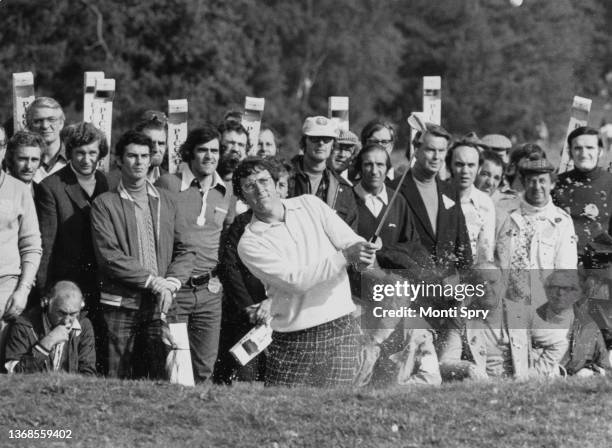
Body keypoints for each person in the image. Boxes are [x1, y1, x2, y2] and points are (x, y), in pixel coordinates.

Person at [236, 157, 377, 387]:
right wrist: (346, 256)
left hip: (341, 328)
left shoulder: (310, 203)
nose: (260, 189)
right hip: (293, 340)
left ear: (275, 183)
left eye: (264, 181)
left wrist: (362, 252)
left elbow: (348, 240)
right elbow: (295, 281)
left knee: (336, 413)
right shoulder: (249, 242)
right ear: (242, 197)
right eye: (250, 185)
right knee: (283, 416)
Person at [90, 130, 195, 379]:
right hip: (121, 305)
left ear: (151, 159)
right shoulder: (104, 203)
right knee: (118, 377)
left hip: (161, 303)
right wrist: (153, 281)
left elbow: (186, 249)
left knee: (163, 376)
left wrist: (170, 283)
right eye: (132, 156)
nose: (138, 162)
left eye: (144, 156)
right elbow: (109, 256)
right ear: (119, 160)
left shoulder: (169, 201)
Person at [351, 143, 440, 386]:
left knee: (417, 361)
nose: (374, 170)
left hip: (396, 296)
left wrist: (385, 250)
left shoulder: (397, 201)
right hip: (359, 296)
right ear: (360, 167)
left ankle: (396, 391)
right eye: (368, 164)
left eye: (380, 164)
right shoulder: (348, 201)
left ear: (387, 168)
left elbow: (411, 246)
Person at [156, 125, 234, 383]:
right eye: (203, 150)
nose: (209, 156)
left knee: (204, 368)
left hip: (210, 291)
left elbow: (226, 239)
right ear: (190, 152)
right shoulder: (169, 183)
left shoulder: (226, 191)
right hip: (177, 288)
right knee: (177, 369)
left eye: (214, 150)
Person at [215, 158, 291, 384]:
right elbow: (230, 268)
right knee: (245, 378)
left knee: (280, 382)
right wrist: (249, 306)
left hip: (283, 313)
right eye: (250, 186)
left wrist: (272, 302)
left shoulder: (295, 222)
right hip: (248, 316)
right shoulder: (241, 224)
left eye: (280, 185)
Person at [438, 264, 568, 380]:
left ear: (502, 285)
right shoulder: (460, 318)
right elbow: (445, 362)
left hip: (518, 386)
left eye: (492, 282)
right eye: (480, 284)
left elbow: (559, 343)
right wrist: (467, 368)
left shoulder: (523, 313)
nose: (487, 288)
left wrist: (533, 374)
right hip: (482, 388)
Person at [36, 122, 109, 307]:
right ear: (70, 153)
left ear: (100, 154)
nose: (86, 159)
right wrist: (45, 289)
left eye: (92, 153)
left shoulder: (102, 180)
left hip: (99, 279)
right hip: (66, 280)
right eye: (80, 153)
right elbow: (47, 243)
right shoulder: (51, 186)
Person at [496, 153, 577, 306]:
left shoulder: (561, 222)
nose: (537, 186)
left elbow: (565, 270)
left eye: (542, 181)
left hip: (543, 304)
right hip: (505, 301)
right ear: (524, 183)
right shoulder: (505, 213)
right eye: (531, 181)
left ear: (552, 184)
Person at [392, 122, 472, 273]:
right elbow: (391, 246)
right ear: (416, 150)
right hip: (409, 284)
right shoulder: (394, 190)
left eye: (441, 150)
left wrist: (465, 283)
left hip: (448, 289)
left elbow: (463, 244)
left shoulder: (450, 191)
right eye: (430, 150)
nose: (437, 156)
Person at [3, 281, 96, 375]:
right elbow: (14, 375)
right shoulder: (24, 325)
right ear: (46, 304)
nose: (66, 321)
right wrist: (47, 343)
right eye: (61, 313)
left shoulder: (84, 326)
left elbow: (88, 373)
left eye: (73, 314)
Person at [0, 158, 42, 363]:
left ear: (4, 149)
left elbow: (32, 246)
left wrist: (23, 290)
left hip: (5, 286)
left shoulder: (19, 190)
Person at [552, 127, 612, 265]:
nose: (584, 153)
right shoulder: (555, 184)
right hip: (562, 264)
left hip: (601, 266)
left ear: (600, 151)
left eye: (590, 148)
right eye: (578, 148)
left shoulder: (610, 183)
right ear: (570, 153)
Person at [290, 116, 358, 229]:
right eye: (314, 138)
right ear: (304, 143)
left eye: (327, 139)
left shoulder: (343, 188)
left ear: (333, 145)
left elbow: (350, 234)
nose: (321, 143)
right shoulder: (284, 177)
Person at [446, 139, 496, 264]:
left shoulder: (485, 203)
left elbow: (486, 250)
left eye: (471, 165)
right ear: (449, 166)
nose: (465, 171)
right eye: (459, 164)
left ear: (479, 168)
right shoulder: (437, 196)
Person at [25, 97, 66, 182]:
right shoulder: (20, 162)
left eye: (51, 120)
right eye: (38, 121)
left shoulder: (75, 158)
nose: (45, 126)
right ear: (28, 126)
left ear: (61, 123)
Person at [4, 131, 45, 197]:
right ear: (10, 159)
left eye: (34, 160)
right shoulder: (2, 189)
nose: (28, 166)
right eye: (22, 159)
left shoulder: (43, 193)